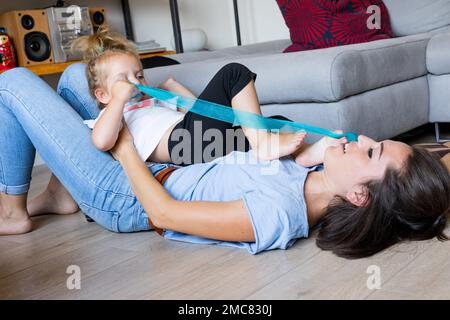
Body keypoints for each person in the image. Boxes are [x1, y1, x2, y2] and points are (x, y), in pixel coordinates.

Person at [0, 65, 449, 259]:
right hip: (154, 165)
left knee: (15, 79)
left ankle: (14, 209)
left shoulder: (280, 211)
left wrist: (122, 151)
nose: (364, 139)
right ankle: (61, 195)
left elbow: (165, 213)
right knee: (82, 77)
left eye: (372, 151)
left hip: (126, 193)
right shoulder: (312, 171)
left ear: (359, 196)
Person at [70, 28, 306, 165]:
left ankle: (304, 158)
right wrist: (119, 100)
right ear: (102, 94)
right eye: (124, 79)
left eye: (139, 75)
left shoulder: (153, 102)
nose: (136, 83)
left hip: (207, 141)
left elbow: (203, 111)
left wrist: (173, 87)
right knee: (233, 73)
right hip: (182, 144)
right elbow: (102, 141)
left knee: (278, 122)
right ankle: (262, 144)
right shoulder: (112, 114)